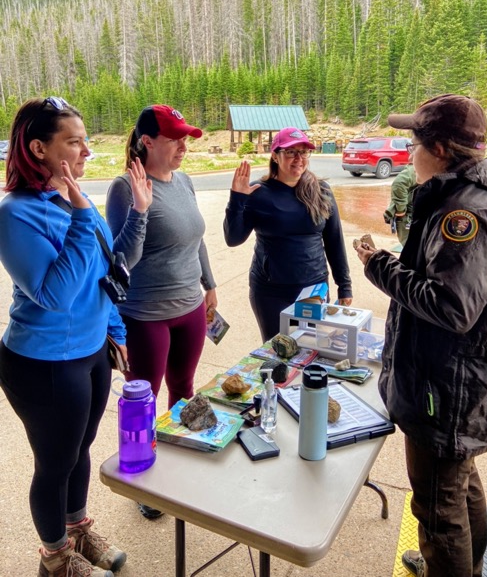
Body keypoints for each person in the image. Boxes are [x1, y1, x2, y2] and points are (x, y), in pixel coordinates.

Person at [355, 94, 487, 577]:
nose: (408, 152)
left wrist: (380, 266)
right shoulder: (469, 194)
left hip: (448, 385)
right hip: (461, 379)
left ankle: (449, 564)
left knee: (439, 513)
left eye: (414, 143)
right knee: (460, 487)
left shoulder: (463, 214)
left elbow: (452, 306)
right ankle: (467, 566)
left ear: (439, 149)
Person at [0, 97, 127, 576]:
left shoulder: (72, 196)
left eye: (85, 140)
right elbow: (53, 294)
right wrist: (79, 217)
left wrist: (115, 331)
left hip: (92, 352)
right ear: (38, 149)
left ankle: (77, 532)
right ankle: (54, 559)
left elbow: (105, 267)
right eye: (74, 142)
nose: (86, 152)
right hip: (44, 363)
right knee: (54, 462)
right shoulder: (15, 214)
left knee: (80, 448)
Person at [106, 105, 217, 518]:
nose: (184, 146)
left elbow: (197, 238)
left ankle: (178, 460)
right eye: (175, 139)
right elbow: (123, 260)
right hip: (146, 315)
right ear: (147, 141)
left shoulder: (184, 181)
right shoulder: (124, 187)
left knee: (184, 389)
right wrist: (139, 208)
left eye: (186, 137)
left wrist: (210, 285)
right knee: (143, 401)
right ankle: (144, 482)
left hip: (190, 306)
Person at [224, 127, 352, 342]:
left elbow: (334, 240)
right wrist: (237, 199)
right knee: (277, 353)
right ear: (275, 155)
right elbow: (233, 239)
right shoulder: (258, 192)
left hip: (313, 288)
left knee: (312, 348)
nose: (298, 159)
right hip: (271, 292)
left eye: (303, 152)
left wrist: (344, 285)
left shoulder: (321, 190)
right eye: (290, 152)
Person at [383, 164, 417, 247]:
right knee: (410, 249)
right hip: (409, 217)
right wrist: (400, 209)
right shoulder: (417, 168)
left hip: (418, 215)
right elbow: (399, 183)